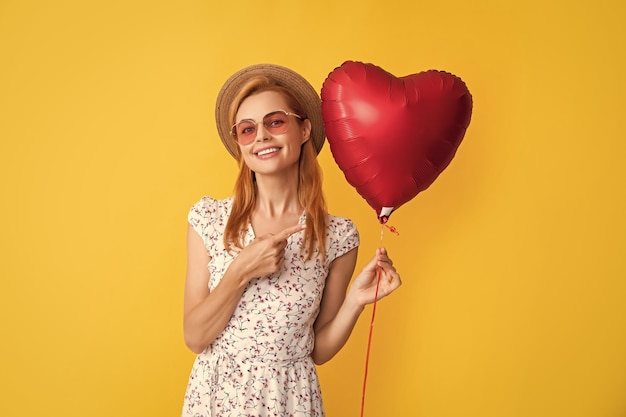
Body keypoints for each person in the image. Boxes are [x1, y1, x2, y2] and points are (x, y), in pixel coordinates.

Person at [181, 63, 401, 417]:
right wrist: (241, 270)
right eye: (247, 130)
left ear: (303, 129)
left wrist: (355, 303)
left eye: (276, 122)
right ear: (239, 145)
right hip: (217, 397)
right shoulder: (209, 220)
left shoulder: (338, 236)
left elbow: (317, 350)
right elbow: (194, 337)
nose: (262, 137)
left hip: (291, 400)